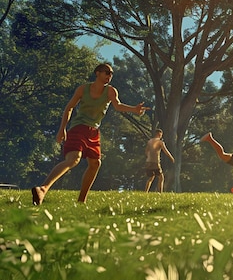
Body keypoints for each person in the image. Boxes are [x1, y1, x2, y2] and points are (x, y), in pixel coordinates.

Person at [31, 63, 149, 205]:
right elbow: (69, 108)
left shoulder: (111, 91)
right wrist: (62, 128)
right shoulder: (83, 89)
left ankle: (82, 201)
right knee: (73, 159)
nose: (109, 76)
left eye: (111, 74)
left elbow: (117, 105)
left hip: (93, 131)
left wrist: (134, 109)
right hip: (78, 128)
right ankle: (43, 189)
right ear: (97, 73)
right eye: (106, 72)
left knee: (95, 163)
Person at [144, 129, 175, 193]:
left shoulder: (149, 141)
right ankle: (160, 193)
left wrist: (149, 157)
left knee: (150, 178)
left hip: (148, 161)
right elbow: (165, 151)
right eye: (161, 135)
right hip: (155, 162)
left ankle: (146, 192)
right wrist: (171, 158)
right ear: (159, 134)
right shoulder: (160, 142)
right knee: (161, 177)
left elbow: (146, 151)